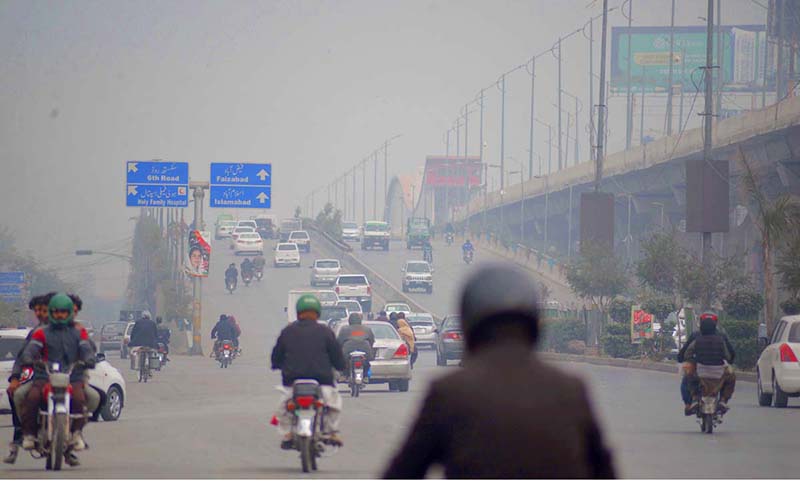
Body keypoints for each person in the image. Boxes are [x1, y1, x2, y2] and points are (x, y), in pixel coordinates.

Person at [383, 264, 616, 478]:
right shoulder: (571, 390)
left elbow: (403, 471)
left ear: (469, 322)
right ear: (534, 322)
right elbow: (605, 471)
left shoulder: (449, 392)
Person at [18, 294, 96, 460]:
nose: (60, 315)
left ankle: (76, 433)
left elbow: (86, 348)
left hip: (73, 376)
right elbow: (32, 348)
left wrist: (88, 359)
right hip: (44, 376)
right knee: (31, 398)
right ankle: (29, 435)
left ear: (69, 312)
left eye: (63, 312)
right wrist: (28, 358)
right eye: (56, 312)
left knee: (80, 399)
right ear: (51, 313)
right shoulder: (41, 332)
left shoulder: (78, 332)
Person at [271, 295, 346, 448]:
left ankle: (287, 433)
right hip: (322, 381)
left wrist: (276, 365)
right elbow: (337, 357)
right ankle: (331, 431)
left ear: (298, 312)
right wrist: (341, 367)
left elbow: (276, 355)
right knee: (334, 404)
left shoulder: (288, 331)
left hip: (292, 381)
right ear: (317, 312)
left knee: (284, 407)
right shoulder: (326, 332)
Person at [4, 294, 53, 464]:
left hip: (64, 380)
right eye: (38, 311)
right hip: (39, 379)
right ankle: (20, 433)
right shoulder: (35, 333)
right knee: (16, 394)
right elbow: (21, 357)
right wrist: (15, 378)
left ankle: (72, 435)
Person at [676, 312, 736, 415]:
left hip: (700, 371)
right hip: (719, 372)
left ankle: (691, 401)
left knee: (687, 378)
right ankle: (723, 399)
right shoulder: (721, 337)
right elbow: (729, 355)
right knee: (731, 377)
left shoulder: (696, 337)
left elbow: (686, 353)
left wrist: (689, 361)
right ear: (715, 324)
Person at [336, 313, 376, 380]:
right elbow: (371, 340)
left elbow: (340, 341)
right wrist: (370, 348)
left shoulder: (344, 329)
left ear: (349, 321)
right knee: (366, 362)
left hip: (348, 349)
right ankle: (365, 376)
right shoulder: (367, 329)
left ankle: (344, 375)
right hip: (365, 349)